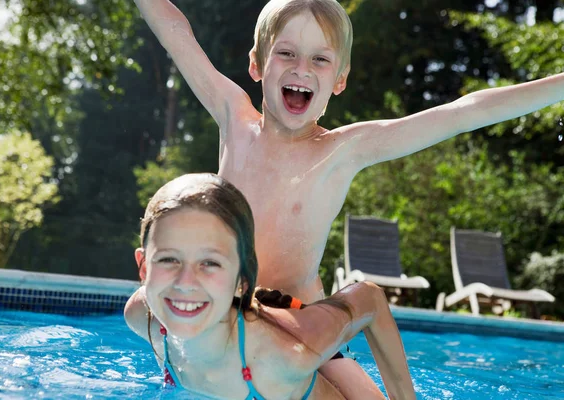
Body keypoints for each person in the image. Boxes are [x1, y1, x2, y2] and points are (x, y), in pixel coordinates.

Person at [129, 0, 564, 396]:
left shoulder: (342, 149)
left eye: (320, 59)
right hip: (224, 308)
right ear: (257, 64)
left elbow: (466, 112)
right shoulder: (234, 118)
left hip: (302, 319)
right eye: (286, 53)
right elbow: (175, 31)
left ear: (339, 80)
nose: (302, 68)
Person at [125, 173, 415, 400]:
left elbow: (369, 298)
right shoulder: (142, 316)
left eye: (210, 263)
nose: (185, 283)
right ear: (144, 267)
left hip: (298, 337)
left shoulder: (286, 357)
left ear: (242, 279)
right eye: (169, 259)